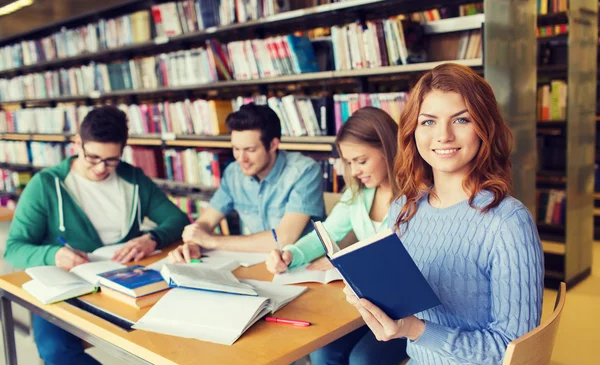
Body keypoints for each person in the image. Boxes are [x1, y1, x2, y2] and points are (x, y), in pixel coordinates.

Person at [343, 63, 544, 364]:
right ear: (413, 130)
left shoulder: (508, 222)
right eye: (428, 122)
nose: (443, 135)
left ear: (484, 128)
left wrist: (414, 328)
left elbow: (512, 351)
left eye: (461, 119)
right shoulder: (404, 209)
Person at [4, 105, 189, 365]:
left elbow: (178, 220)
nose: (102, 168)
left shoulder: (133, 179)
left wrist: (153, 238)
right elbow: (14, 248)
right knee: (56, 352)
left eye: (111, 160)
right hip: (68, 290)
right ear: (77, 143)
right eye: (93, 158)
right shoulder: (46, 185)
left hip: (129, 285)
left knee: (181, 337)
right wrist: (53, 254)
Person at [266, 107, 408, 365]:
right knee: (322, 352)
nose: (354, 171)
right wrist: (290, 254)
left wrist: (350, 265)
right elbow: (326, 233)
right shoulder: (357, 195)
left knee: (362, 359)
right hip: (367, 306)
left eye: (361, 160)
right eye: (349, 162)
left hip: (408, 312)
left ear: (388, 149)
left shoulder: (417, 197)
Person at [168, 103, 324, 262]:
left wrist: (212, 241)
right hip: (258, 262)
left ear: (273, 145)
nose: (241, 159)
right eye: (236, 149)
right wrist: (193, 242)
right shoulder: (233, 172)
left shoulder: (305, 171)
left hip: (304, 264)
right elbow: (206, 221)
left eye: (250, 150)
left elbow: (284, 239)